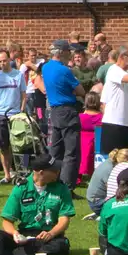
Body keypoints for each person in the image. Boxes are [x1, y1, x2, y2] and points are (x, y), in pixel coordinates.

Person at [0, 156, 74, 255]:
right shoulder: (21, 188)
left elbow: (64, 219)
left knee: (60, 247)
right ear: (41, 172)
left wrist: (51, 233)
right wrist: (15, 233)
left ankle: (8, 253)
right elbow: (7, 220)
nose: (58, 172)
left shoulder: (62, 189)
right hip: (25, 236)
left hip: (49, 237)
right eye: (54, 170)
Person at [42, 39, 84, 187]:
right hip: (67, 110)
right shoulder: (65, 70)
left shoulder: (45, 68)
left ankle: (50, 181)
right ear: (61, 53)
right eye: (68, 51)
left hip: (54, 110)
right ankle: (67, 186)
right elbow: (81, 91)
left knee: (55, 150)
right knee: (71, 152)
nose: (70, 54)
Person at [0, 49, 23, 183]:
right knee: (2, 146)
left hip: (15, 115)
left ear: (9, 60)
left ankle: (19, 172)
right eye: (0, 61)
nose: (3, 63)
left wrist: (22, 110)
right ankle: (7, 174)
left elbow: (24, 94)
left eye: (5, 60)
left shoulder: (18, 75)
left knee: (19, 145)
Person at [78, 91, 103, 184]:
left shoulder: (81, 116)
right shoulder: (102, 117)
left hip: (82, 140)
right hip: (97, 141)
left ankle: (78, 178)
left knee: (81, 158)